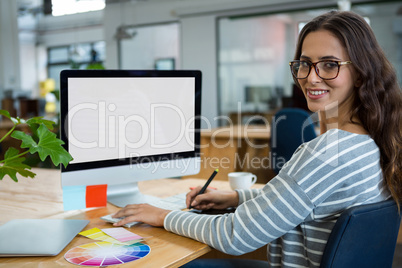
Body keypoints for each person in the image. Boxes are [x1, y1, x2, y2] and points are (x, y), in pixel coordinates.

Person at [113, 11, 402, 267]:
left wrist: (161, 215)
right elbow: (305, 199)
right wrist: (236, 197)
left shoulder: (327, 153)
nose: (311, 78)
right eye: (304, 64)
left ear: (361, 74)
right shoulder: (370, 140)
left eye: (329, 65)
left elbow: (235, 236)